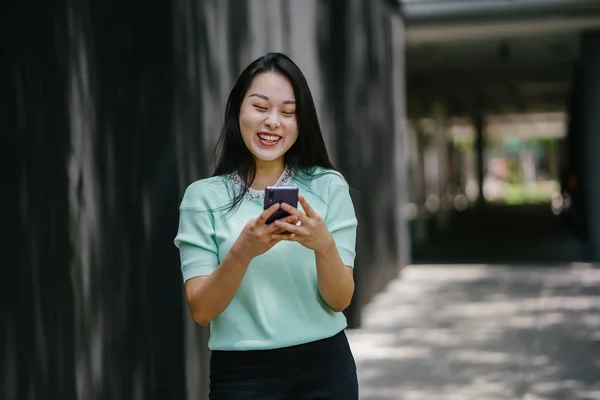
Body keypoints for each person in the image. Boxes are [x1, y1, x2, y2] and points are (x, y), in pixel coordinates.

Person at [174, 52, 359, 399]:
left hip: (325, 369)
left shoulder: (328, 186)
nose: (273, 121)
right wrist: (243, 251)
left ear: (300, 122)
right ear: (237, 111)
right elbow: (201, 310)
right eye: (260, 107)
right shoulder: (202, 198)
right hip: (243, 376)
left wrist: (324, 245)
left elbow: (340, 299)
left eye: (288, 112)